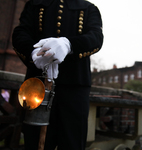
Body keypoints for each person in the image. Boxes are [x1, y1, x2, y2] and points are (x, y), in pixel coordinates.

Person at [12, 0, 103, 150]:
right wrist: (33, 52)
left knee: (72, 143)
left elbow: (96, 37)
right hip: (37, 85)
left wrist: (69, 44)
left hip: (74, 88)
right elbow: (20, 33)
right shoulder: (35, 4)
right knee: (35, 142)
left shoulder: (89, 8)